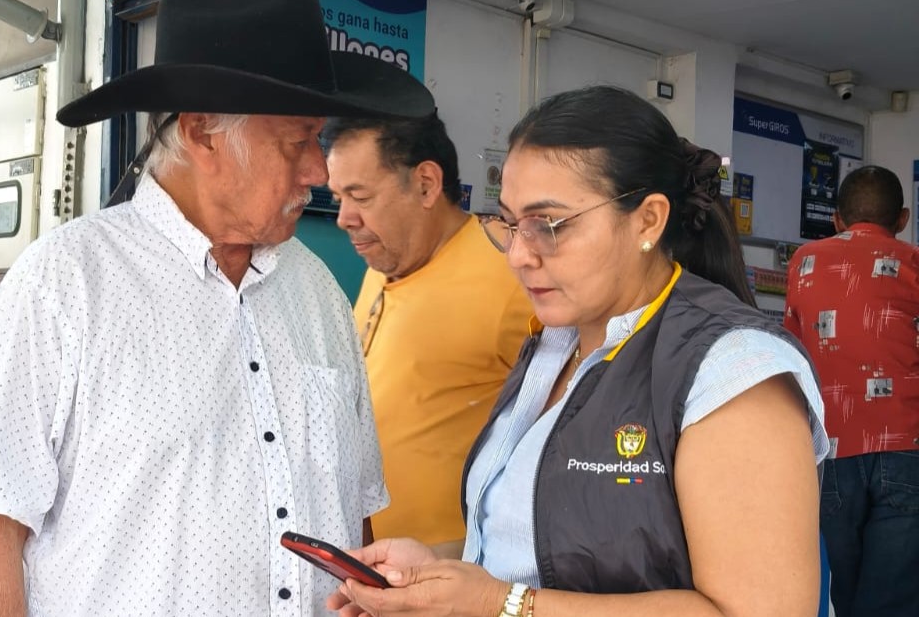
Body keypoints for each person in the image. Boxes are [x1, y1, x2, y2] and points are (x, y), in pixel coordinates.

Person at [0, 0, 435, 616]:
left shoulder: (318, 292)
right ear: (205, 132)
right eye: (297, 142)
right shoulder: (67, 283)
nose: (318, 173)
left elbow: (353, 510)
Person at [328, 85, 830, 617]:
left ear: (648, 220)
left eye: (547, 225)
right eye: (511, 224)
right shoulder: (552, 349)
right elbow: (536, 551)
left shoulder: (732, 371)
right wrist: (432, 574)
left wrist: (501, 604)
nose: (519, 256)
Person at [323, 114, 531, 555]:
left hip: (455, 572)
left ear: (425, 184)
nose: (344, 218)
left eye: (359, 196)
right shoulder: (385, 263)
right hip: (366, 564)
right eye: (338, 197)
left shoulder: (514, 280)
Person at [783, 164, 919, 617]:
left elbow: (794, 349)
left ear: (837, 219)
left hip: (831, 444)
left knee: (845, 588)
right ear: (902, 219)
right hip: (906, 443)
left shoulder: (805, 261)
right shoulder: (914, 262)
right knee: (894, 595)